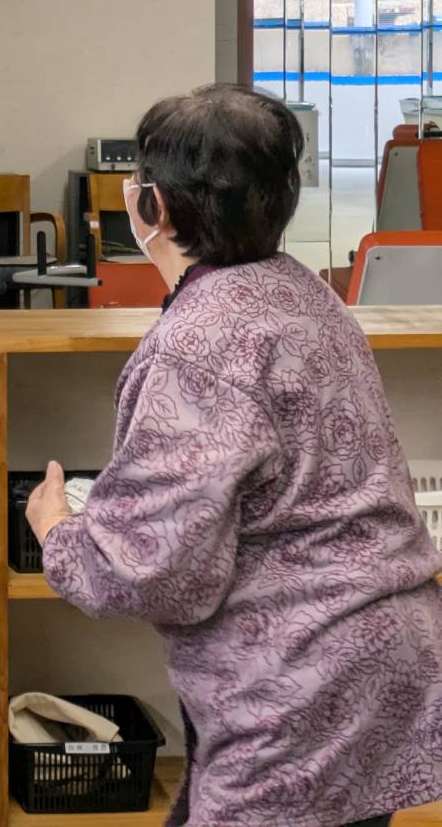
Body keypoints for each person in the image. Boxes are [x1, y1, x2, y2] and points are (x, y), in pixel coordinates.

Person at [26, 84, 442, 827]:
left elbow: (155, 572)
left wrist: (56, 530)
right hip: (389, 654)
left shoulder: (197, 345)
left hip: (297, 679)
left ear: (151, 204)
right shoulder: (311, 297)